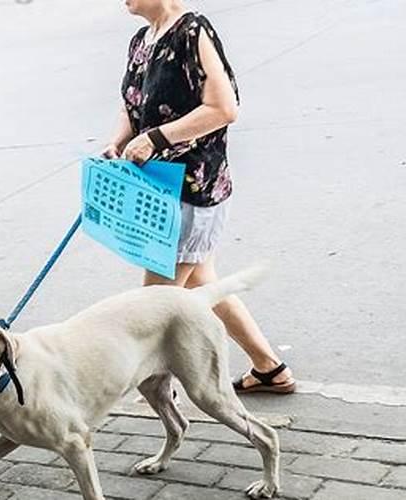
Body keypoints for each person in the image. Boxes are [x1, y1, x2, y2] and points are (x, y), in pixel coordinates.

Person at [101, 0, 295, 393]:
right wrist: (119, 140)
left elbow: (224, 108)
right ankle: (269, 368)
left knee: (155, 304)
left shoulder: (193, 32)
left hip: (192, 188)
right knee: (202, 282)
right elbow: (131, 102)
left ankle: (162, 390)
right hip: (161, 187)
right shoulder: (142, 39)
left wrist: (155, 138)